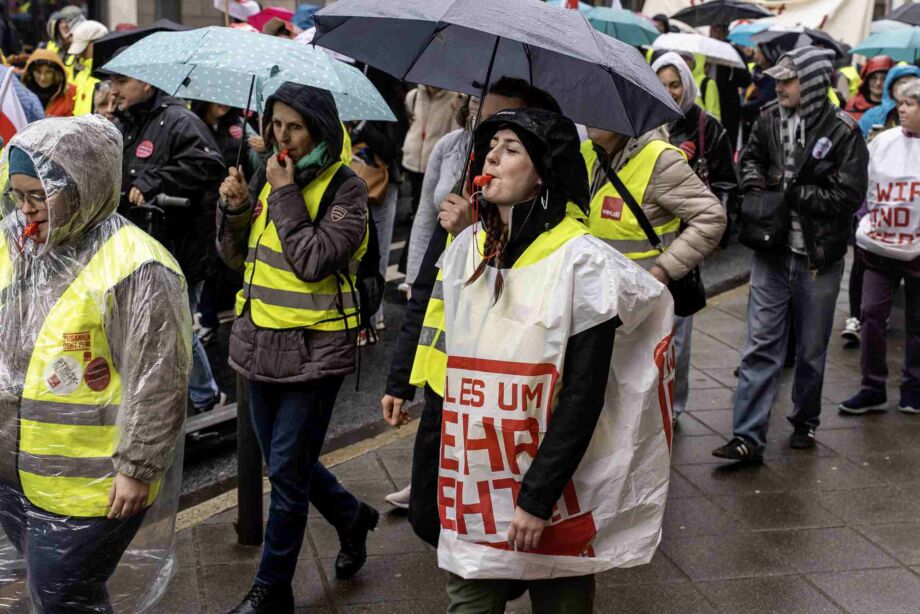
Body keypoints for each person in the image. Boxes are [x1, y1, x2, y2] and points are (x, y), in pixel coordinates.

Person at [436, 106, 672, 613]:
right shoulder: (465, 250)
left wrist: (537, 498)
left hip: (551, 493)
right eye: (491, 148)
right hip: (473, 484)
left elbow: (584, 395)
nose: (492, 159)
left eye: (511, 150)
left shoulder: (583, 263)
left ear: (543, 172)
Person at [0, 115, 190, 612]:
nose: (25, 210)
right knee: (53, 594)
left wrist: (138, 467)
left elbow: (160, 379)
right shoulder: (18, 244)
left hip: (89, 487)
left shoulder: (137, 267)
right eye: (17, 194)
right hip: (13, 472)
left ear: (82, 185)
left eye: (38, 195)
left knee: (66, 599)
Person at [216, 82, 380, 614]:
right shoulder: (269, 173)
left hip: (315, 348)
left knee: (287, 471)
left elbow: (313, 261)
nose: (281, 136)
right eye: (276, 124)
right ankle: (352, 516)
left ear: (320, 130)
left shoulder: (345, 188)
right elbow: (235, 258)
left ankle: (272, 589)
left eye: (294, 126)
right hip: (259, 339)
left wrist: (283, 193)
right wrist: (237, 208)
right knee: (288, 464)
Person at [382, 79, 561, 538]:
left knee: (482, 522)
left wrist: (473, 238)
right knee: (427, 516)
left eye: (507, 128)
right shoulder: (456, 154)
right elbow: (429, 283)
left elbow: (519, 299)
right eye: (486, 120)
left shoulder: (551, 217)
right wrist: (400, 379)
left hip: (499, 392)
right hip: (445, 381)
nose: (490, 136)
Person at [712, 47, 869, 463]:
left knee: (811, 351)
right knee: (760, 344)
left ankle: (805, 419)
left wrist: (794, 192)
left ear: (815, 84)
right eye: (777, 78)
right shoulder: (767, 118)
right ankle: (747, 437)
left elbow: (849, 195)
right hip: (771, 252)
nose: (778, 85)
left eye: (788, 79)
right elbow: (749, 160)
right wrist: (756, 187)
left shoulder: (843, 131)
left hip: (819, 258)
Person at [109, 72, 227, 414]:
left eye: (120, 82)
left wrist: (155, 179)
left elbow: (208, 165)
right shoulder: (126, 123)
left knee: (174, 330)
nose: (113, 90)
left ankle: (207, 397)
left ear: (147, 83)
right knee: (144, 327)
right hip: (138, 246)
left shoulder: (179, 119)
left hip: (179, 248)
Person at [652, 52, 736, 419]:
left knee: (679, 336)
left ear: (687, 84)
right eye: (662, 84)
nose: (669, 93)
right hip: (647, 240)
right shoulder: (645, 121)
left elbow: (726, 183)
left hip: (685, 243)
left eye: (675, 84)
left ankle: (674, 406)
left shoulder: (708, 127)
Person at [839, 79, 920, 415]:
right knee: (871, 313)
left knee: (918, 323)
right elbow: (863, 184)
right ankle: (872, 386)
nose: (901, 109)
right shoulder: (882, 142)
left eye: (911, 103)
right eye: (900, 103)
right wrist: (862, 218)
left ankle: (913, 388)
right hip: (879, 249)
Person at [191, 101, 261, 344]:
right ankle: (207, 320)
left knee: (233, 266)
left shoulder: (240, 127)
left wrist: (261, 150)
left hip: (234, 210)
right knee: (208, 268)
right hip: (202, 211)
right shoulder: (193, 123)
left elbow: (257, 160)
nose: (222, 105)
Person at [401, 85, 464, 216]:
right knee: (415, 199)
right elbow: (410, 123)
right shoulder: (413, 95)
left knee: (430, 205)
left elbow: (455, 133)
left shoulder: (454, 99)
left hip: (435, 162)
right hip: (411, 160)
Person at [709, 23, 752, 151]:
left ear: (726, 32)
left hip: (728, 107)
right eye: (714, 29)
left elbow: (746, 81)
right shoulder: (703, 49)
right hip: (707, 105)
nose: (716, 33)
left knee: (727, 145)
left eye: (720, 30)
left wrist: (733, 68)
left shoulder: (734, 52)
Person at [859, 64, 920, 138]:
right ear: (890, 89)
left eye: (912, 83)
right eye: (903, 83)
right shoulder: (872, 116)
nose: (907, 88)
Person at [67, 19, 108, 116]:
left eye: (84, 49)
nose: (79, 54)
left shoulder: (106, 74)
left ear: (96, 44)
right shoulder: (82, 72)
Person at [21, 48, 77, 117]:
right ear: (30, 73)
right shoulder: (22, 95)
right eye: (38, 72)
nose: (42, 78)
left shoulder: (71, 93)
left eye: (48, 72)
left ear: (57, 73)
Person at [844, 56, 894, 123]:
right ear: (867, 80)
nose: (878, 83)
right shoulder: (853, 105)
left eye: (883, 78)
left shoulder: (897, 107)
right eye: (874, 78)